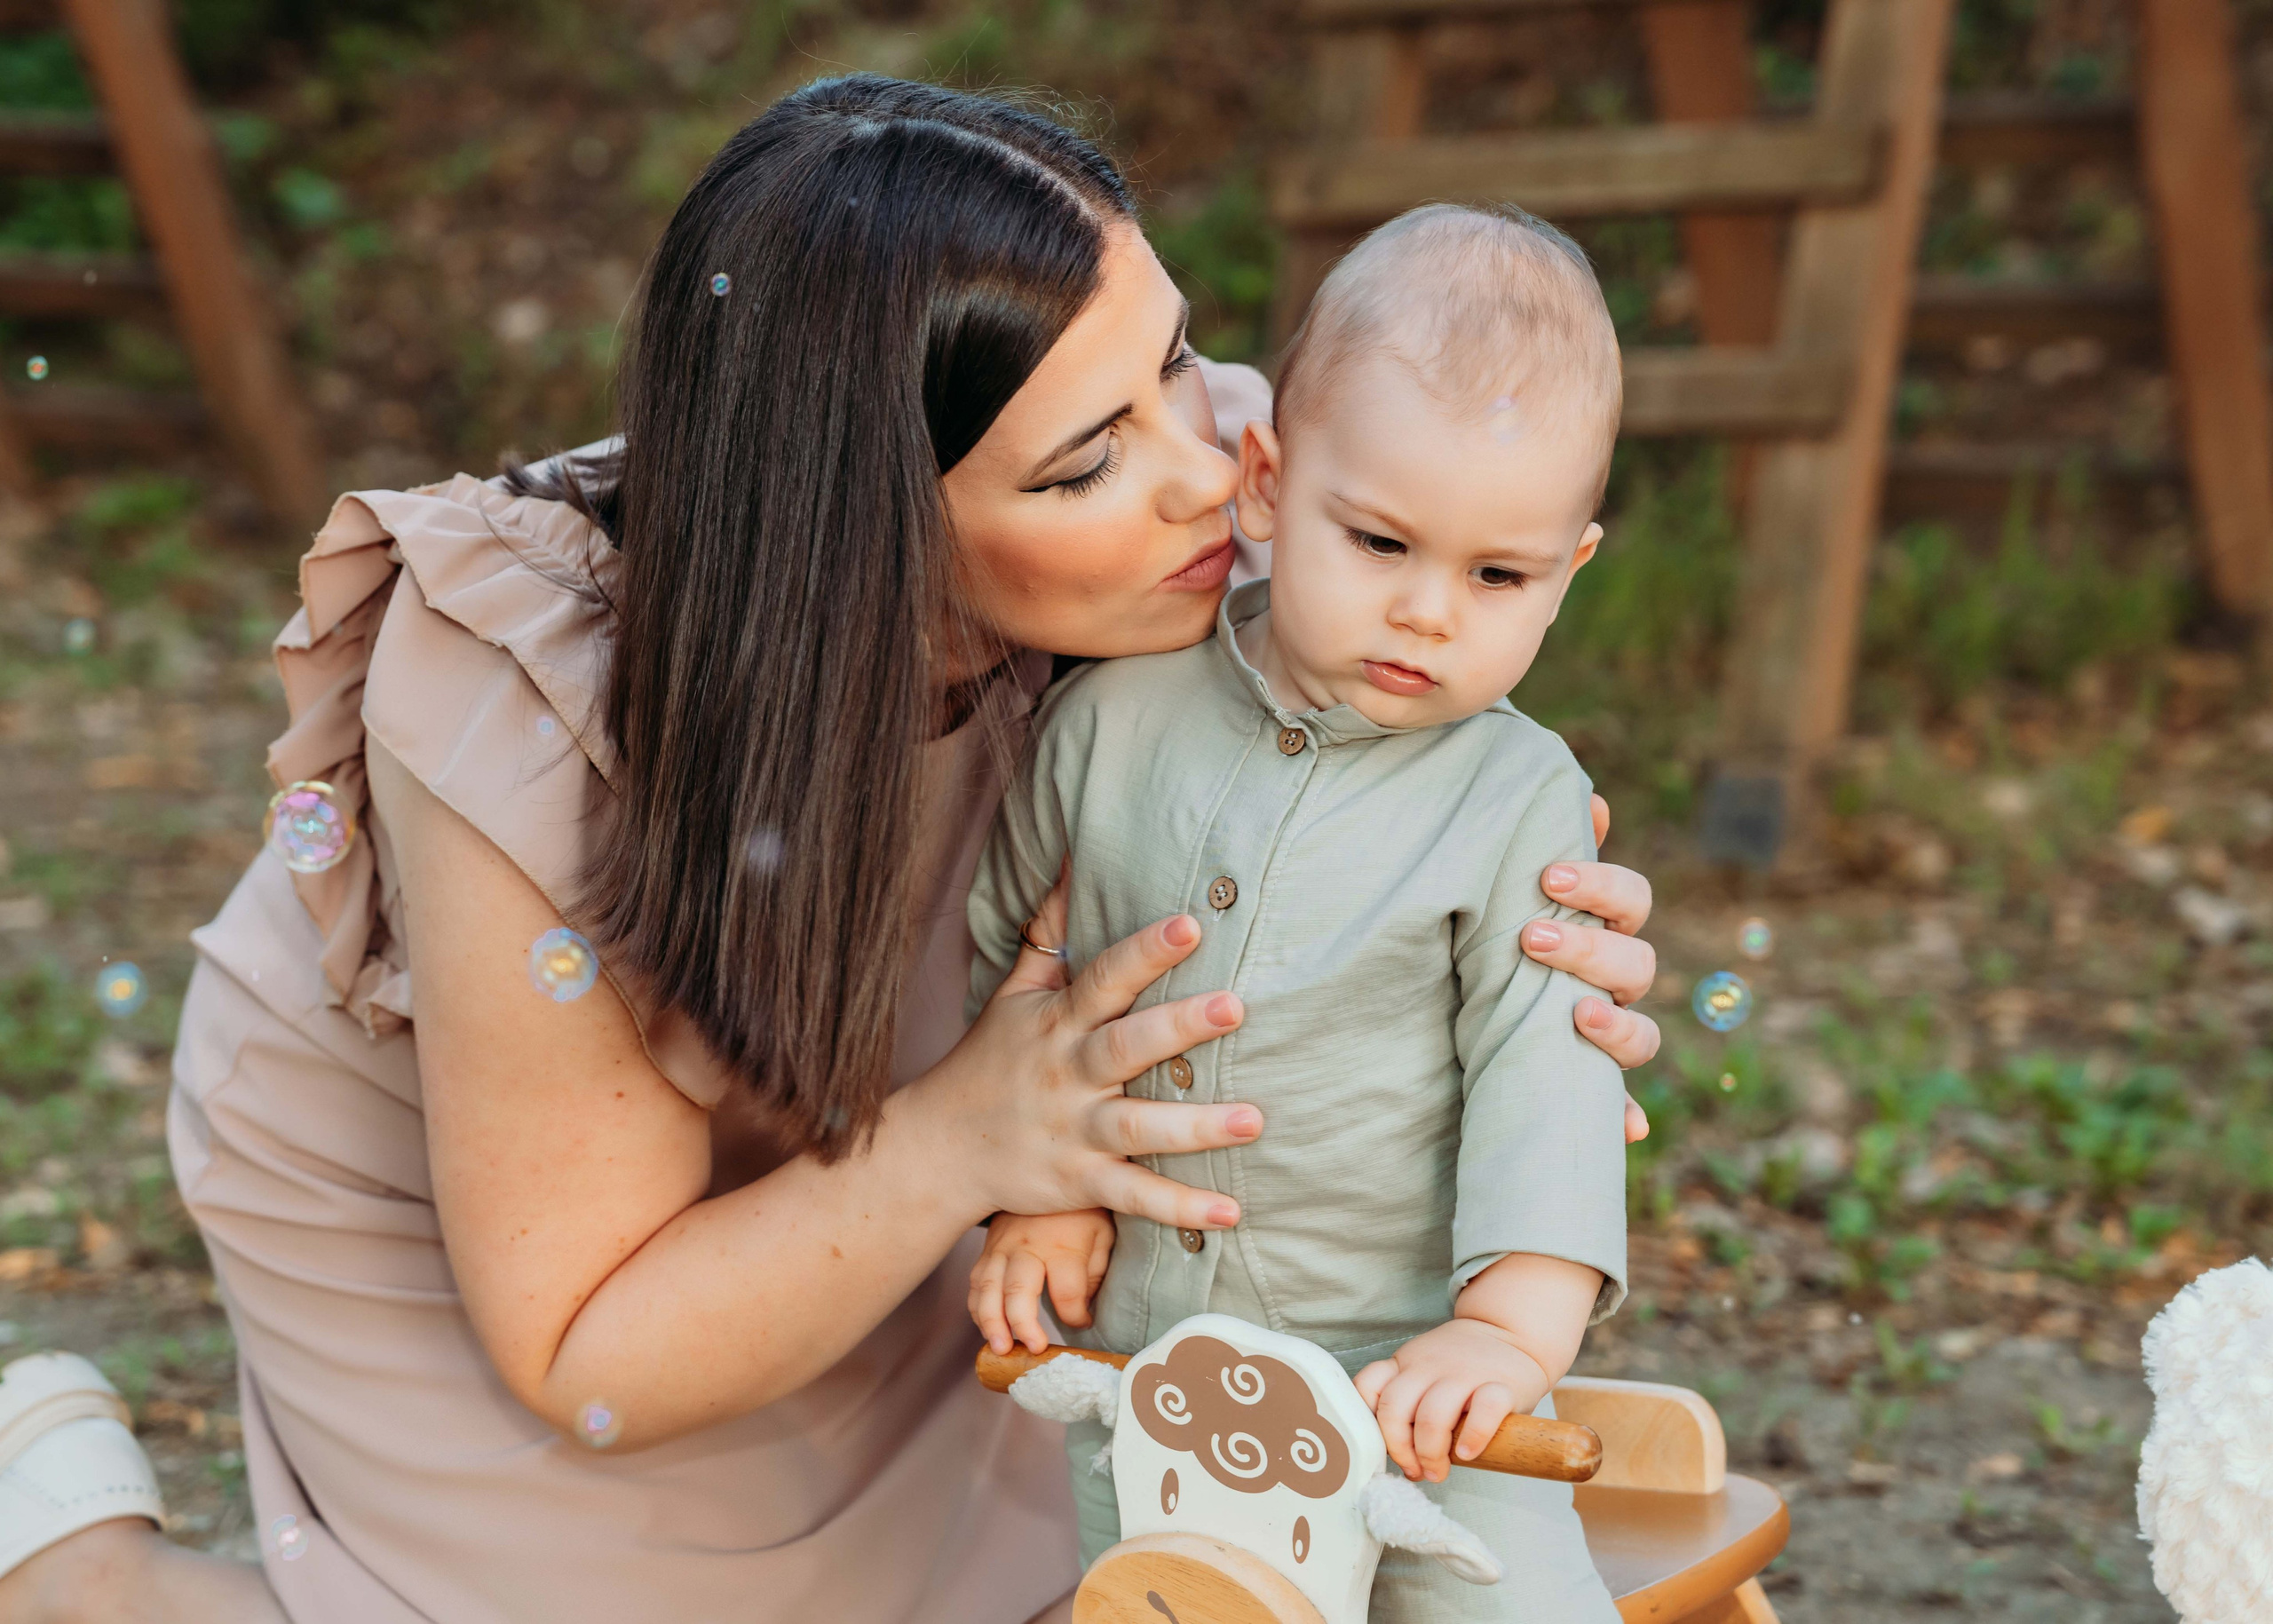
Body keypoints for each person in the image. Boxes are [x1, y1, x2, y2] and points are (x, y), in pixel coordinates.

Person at [0, 78, 1661, 1624]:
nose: (1208, 478)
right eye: (1087, 461)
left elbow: (1426, 664)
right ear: (866, 521)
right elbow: (588, 1339)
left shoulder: (1247, 463)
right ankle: (84, 1567)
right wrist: (962, 1145)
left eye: (1173, 356)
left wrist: (1533, 943)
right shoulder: (534, 709)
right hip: (507, 1208)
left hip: (898, 1106)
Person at [966, 204, 1628, 1621]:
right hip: (1162, 1377)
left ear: (1568, 574)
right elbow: (1009, 968)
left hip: (1418, 1381)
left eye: (1496, 575)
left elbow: (1548, 1068)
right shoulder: (1108, 721)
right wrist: (1040, 1187)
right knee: (1159, 1599)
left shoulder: (1518, 799)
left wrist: (1505, 1334)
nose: (1429, 614)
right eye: (1380, 541)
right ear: (1266, 484)